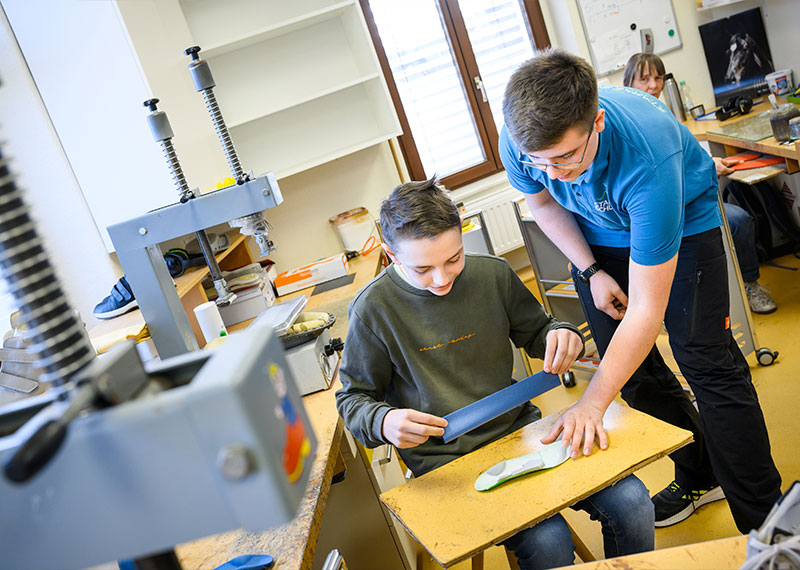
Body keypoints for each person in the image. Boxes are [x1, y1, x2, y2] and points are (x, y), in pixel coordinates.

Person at [499, 48, 781, 534]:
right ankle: (701, 472)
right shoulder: (524, 139)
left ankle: (768, 524)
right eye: (539, 161)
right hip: (597, 236)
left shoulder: (648, 157)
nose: (554, 171)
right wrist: (590, 271)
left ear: (598, 124)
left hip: (683, 223)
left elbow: (648, 311)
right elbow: (542, 203)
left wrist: (591, 403)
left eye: (566, 158)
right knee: (632, 375)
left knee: (707, 362)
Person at [335, 178, 654, 569]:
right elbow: (352, 399)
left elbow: (538, 330)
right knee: (548, 539)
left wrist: (561, 335)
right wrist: (383, 420)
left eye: (454, 259)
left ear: (462, 234)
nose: (442, 279)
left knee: (633, 502)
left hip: (522, 434)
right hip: (447, 461)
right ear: (390, 255)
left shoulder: (492, 274)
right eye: (422, 269)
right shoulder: (373, 309)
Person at [623, 52, 777, 314]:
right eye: (644, 79)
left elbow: (681, 160)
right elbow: (662, 180)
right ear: (629, 83)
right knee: (738, 221)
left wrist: (706, 164)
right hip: (666, 210)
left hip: (687, 199)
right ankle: (744, 286)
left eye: (658, 78)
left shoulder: (661, 114)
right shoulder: (631, 124)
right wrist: (706, 170)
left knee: (740, 216)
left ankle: (748, 283)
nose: (653, 86)